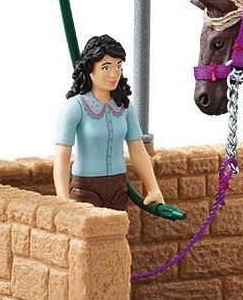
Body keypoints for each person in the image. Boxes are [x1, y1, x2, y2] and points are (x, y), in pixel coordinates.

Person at [54, 35, 164, 211]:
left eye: (118, 66)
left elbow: (137, 149)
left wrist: (153, 188)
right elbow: (62, 156)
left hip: (118, 188)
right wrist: (63, 199)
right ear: (90, 68)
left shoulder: (124, 106)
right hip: (86, 190)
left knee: (119, 228)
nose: (114, 74)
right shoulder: (75, 106)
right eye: (106, 67)